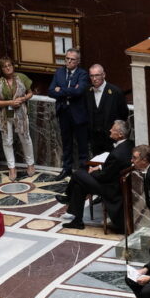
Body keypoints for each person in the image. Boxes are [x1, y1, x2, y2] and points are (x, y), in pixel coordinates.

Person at [56, 120, 134, 230]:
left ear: (120, 134)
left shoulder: (117, 154)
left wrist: (92, 171)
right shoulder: (129, 144)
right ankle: (77, 221)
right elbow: (113, 167)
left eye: (113, 129)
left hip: (110, 188)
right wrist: (99, 167)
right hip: (114, 182)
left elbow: (103, 176)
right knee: (79, 185)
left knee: (78, 174)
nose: (110, 130)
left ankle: (68, 198)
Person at [0, 57, 34, 181]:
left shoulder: (21, 77)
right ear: (1, 69)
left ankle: (30, 164)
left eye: (9, 65)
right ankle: (12, 167)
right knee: (7, 141)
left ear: (13, 66)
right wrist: (10, 102)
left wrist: (24, 99)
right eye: (4, 66)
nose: (8, 68)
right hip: (5, 115)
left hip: (21, 114)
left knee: (25, 138)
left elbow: (30, 93)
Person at [48, 48, 89, 180]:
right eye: (67, 59)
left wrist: (61, 90)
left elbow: (79, 91)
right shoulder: (59, 72)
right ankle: (67, 168)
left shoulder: (83, 74)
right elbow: (51, 91)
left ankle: (83, 171)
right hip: (63, 112)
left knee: (82, 144)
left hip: (78, 114)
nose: (69, 61)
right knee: (66, 143)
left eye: (72, 59)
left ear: (78, 61)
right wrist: (70, 90)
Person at [85, 64, 128, 156]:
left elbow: (123, 114)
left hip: (111, 137)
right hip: (94, 138)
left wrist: (115, 132)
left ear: (103, 75)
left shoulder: (115, 92)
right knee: (96, 162)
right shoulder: (87, 91)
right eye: (91, 76)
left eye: (97, 75)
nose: (94, 78)